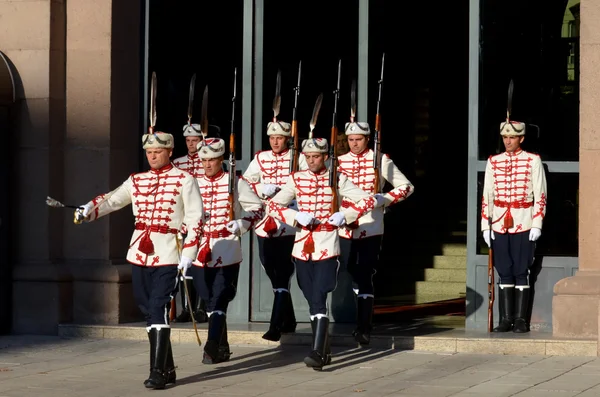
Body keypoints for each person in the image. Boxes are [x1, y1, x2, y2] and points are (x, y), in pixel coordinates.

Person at [74, 130, 204, 389]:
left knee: (158, 307)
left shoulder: (185, 179)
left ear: (169, 152)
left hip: (169, 252)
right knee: (148, 308)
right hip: (140, 252)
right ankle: (167, 368)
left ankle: (156, 371)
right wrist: (89, 209)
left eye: (157, 152)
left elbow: (195, 218)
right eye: (149, 152)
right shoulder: (137, 180)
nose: (153, 156)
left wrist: (189, 254)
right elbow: (112, 200)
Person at [268, 137, 384, 370]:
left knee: (320, 294)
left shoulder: (337, 178)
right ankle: (324, 348)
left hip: (328, 242)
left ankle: (317, 351)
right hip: (302, 243)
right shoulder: (296, 179)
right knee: (310, 296)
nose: (311, 161)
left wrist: (346, 215)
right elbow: (272, 205)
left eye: (316, 157)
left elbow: (369, 199)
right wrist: (294, 216)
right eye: (308, 157)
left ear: (325, 157)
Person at [337, 121, 414, 345]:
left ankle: (364, 326)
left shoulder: (380, 160)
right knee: (350, 268)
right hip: (345, 222)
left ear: (367, 139)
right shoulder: (339, 162)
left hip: (371, 223)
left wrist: (382, 199)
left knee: (365, 272)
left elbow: (406, 186)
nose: (354, 144)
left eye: (358, 140)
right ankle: (360, 316)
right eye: (351, 140)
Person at [192, 138, 264, 364]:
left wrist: (242, 224)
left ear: (221, 159)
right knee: (207, 296)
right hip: (201, 248)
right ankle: (222, 347)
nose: (207, 165)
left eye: (211, 160)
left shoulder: (235, 181)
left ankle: (211, 344)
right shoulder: (192, 183)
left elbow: (257, 209)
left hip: (228, 246)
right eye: (203, 160)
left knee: (219, 297)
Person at [243, 120, 307, 342]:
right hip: (266, 222)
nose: (275, 142)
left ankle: (275, 325)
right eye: (272, 138)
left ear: (287, 138)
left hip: (289, 222)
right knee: (272, 271)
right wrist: (261, 187)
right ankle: (288, 319)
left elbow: (309, 182)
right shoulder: (261, 158)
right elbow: (244, 182)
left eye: (279, 138)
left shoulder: (298, 158)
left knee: (283, 273)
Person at [481, 119, 547, 333]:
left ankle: (520, 319)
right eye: (505, 138)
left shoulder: (532, 160)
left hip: (523, 220)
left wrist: (537, 223)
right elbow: (487, 195)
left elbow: (540, 194)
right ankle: (505, 319)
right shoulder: (494, 161)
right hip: (499, 222)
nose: (508, 141)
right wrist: (485, 225)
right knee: (504, 270)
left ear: (521, 138)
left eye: (512, 137)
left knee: (521, 270)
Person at [172, 123, 206, 323]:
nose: (191, 144)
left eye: (195, 140)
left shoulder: (208, 161)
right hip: (185, 220)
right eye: (188, 140)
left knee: (202, 263)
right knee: (186, 265)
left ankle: (202, 307)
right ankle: (188, 308)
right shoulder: (178, 163)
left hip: (205, 219)